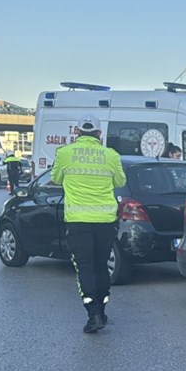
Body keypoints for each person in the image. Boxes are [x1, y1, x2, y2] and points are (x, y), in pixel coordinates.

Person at [51, 115, 127, 333]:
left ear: (77, 131)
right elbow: (120, 182)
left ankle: (92, 313)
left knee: (84, 267)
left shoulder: (64, 153)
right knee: (101, 266)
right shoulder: (110, 155)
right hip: (105, 220)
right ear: (99, 133)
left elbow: (56, 179)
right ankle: (102, 310)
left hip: (77, 220)